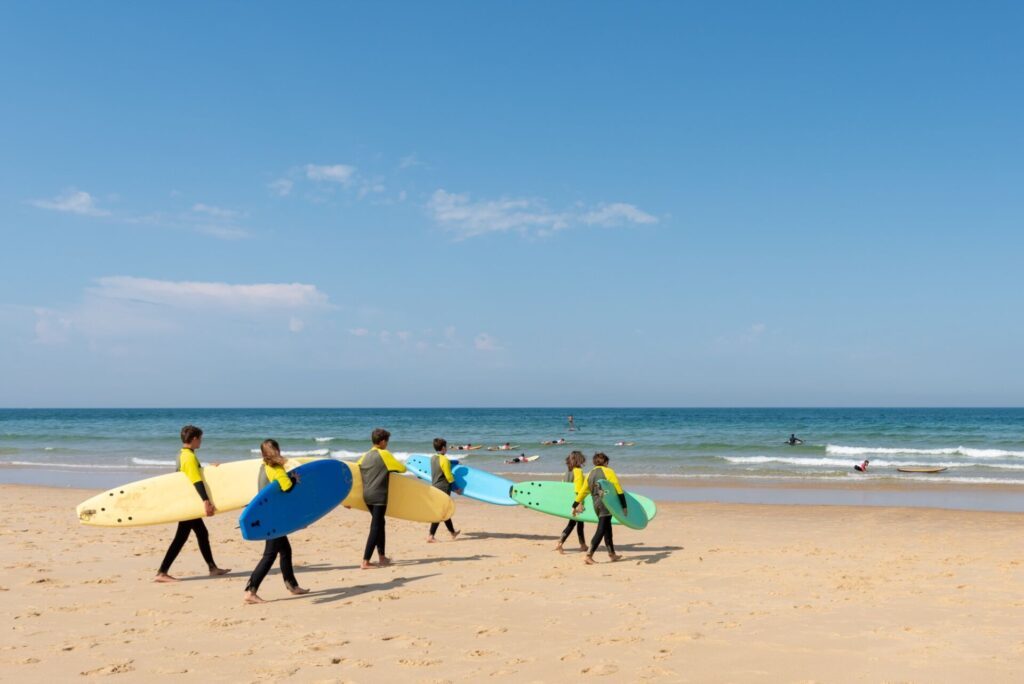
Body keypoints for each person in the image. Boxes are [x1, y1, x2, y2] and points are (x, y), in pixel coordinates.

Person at [154, 425, 230, 582]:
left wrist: (210, 470)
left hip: (187, 501)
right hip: (188, 502)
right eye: (200, 438)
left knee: (201, 533)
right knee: (181, 538)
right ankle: (162, 572)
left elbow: (194, 474)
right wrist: (206, 500)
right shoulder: (188, 457)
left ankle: (212, 568)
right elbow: (196, 480)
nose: (201, 441)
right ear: (194, 439)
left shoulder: (184, 454)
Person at [243, 439, 310, 604]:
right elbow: (286, 487)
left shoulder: (263, 467)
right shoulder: (275, 467)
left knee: (285, 550)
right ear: (277, 450)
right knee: (270, 554)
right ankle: (250, 591)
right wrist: (294, 479)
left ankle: (292, 585)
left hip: (265, 513)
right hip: (273, 517)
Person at [357, 428, 407, 569]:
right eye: (387, 442)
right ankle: (365, 561)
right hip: (379, 496)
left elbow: (357, 473)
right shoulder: (384, 454)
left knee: (380, 523)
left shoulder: (364, 456)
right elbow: (402, 468)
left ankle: (382, 557)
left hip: (366, 495)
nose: (387, 444)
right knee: (376, 526)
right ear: (383, 441)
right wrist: (391, 469)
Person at [573, 452, 626, 565]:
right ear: (606, 462)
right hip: (606, 504)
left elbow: (583, 491)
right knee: (601, 530)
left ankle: (612, 554)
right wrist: (624, 505)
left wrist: (574, 505)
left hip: (596, 505)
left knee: (607, 528)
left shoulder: (590, 473)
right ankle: (589, 555)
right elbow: (618, 489)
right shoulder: (609, 471)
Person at [426, 438, 461, 543]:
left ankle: (452, 532)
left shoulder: (433, 458)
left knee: (444, 512)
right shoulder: (444, 460)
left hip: (435, 487)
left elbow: (443, 463)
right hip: (444, 488)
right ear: (443, 448)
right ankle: (430, 536)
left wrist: (456, 461)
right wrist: (456, 488)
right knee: (441, 512)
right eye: (446, 447)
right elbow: (449, 476)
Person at [555, 451, 587, 553]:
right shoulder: (578, 471)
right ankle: (560, 542)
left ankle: (583, 544)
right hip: (576, 501)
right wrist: (580, 503)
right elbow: (579, 489)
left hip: (569, 501)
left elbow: (563, 486)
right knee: (572, 523)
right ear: (579, 460)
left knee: (579, 523)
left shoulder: (567, 472)